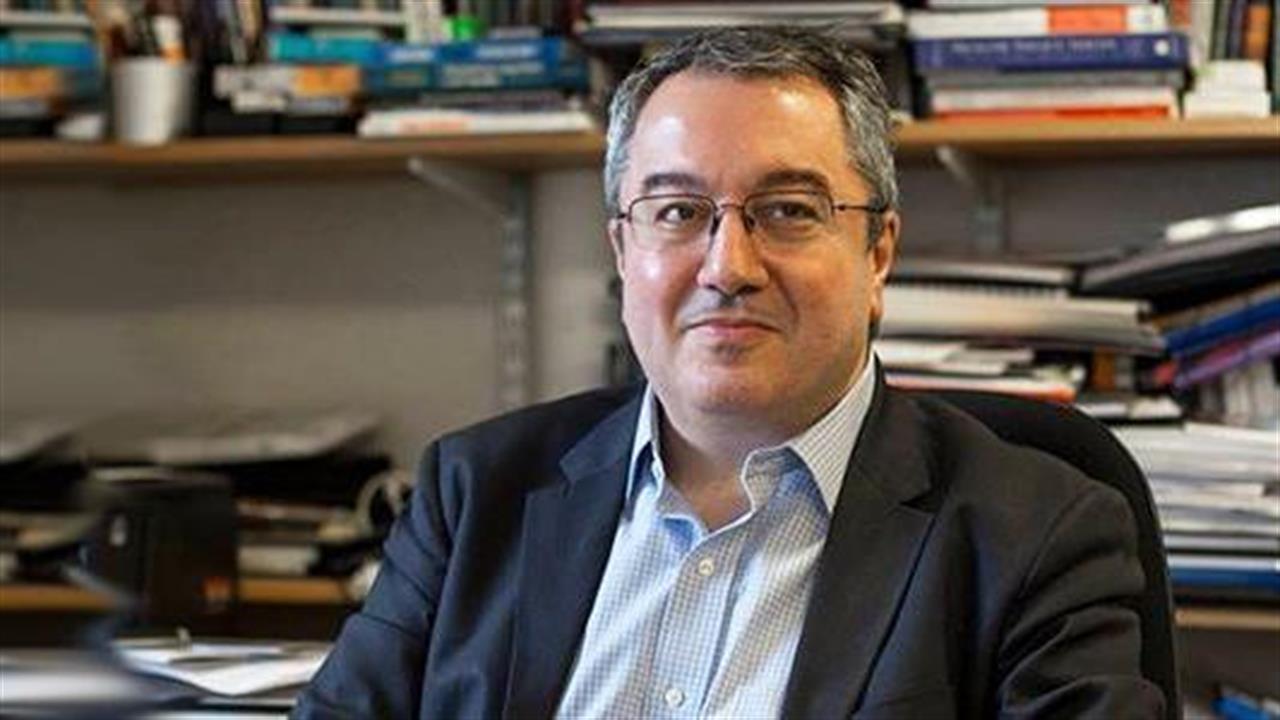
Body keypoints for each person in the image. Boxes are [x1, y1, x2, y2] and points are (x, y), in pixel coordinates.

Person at [295, 26, 1165, 719]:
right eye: (678, 211)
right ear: (623, 249)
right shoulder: (474, 493)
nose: (727, 267)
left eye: (787, 210)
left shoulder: (1038, 532)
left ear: (877, 254)